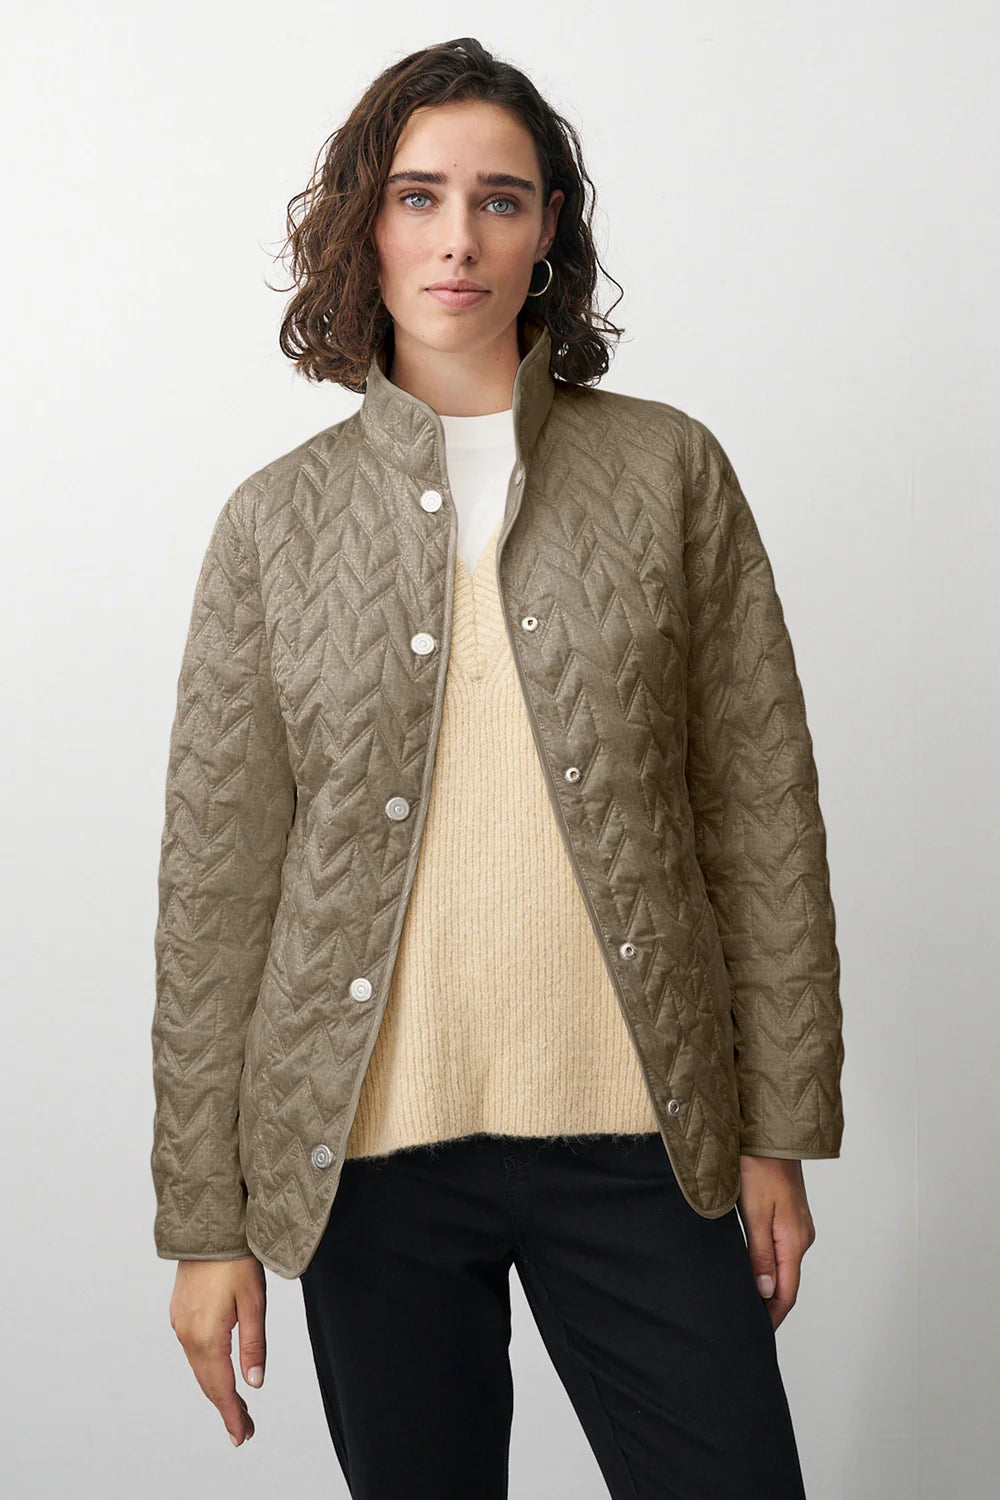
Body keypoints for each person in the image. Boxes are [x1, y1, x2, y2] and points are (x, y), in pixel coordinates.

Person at [150, 35, 845, 1500]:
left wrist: (779, 1130)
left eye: (500, 200)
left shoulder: (669, 472)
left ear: (548, 234)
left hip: (643, 1135)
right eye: (418, 197)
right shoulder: (273, 526)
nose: (458, 238)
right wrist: (205, 1224)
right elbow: (216, 894)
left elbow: (761, 811)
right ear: (365, 225)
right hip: (365, 1159)